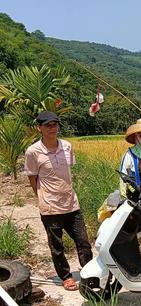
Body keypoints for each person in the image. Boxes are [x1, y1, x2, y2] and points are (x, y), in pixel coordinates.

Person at [25, 111, 93, 291]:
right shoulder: (33, 152)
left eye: (55, 124)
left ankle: (89, 272)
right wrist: (41, 196)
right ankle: (66, 276)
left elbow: (68, 171)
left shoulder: (67, 147)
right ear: (39, 128)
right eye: (48, 125)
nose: (52, 128)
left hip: (71, 203)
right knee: (57, 245)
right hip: (50, 206)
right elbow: (33, 177)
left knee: (83, 240)